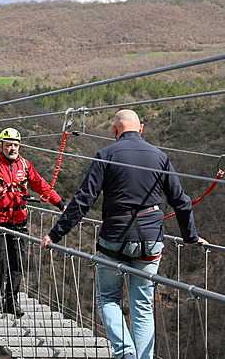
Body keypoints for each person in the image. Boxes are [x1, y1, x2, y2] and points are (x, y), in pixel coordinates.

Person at [41, 110, 207, 359]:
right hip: (151, 240)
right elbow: (181, 202)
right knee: (142, 305)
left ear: (115, 130)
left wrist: (56, 234)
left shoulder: (106, 155)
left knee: (108, 298)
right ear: (141, 128)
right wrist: (190, 237)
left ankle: (125, 352)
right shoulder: (160, 157)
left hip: (114, 238)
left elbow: (83, 200)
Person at [0, 128, 66, 318]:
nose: (12, 148)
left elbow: (42, 185)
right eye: (9, 144)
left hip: (18, 223)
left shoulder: (25, 166)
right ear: (1, 145)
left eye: (16, 145)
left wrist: (61, 205)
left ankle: (12, 300)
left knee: (17, 263)